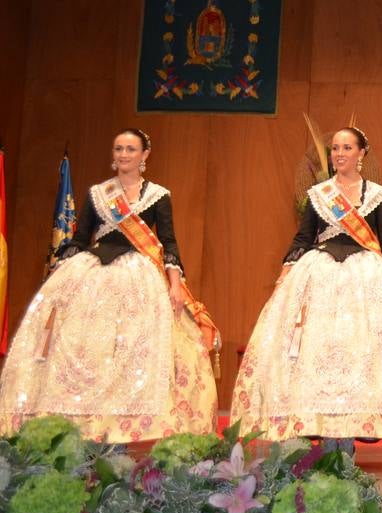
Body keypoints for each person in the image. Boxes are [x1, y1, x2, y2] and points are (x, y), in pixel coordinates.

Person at [0, 129, 218, 441]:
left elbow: (169, 243)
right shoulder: (98, 194)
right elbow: (79, 238)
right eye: (119, 149)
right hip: (95, 273)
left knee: (134, 345)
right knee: (85, 344)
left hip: (139, 274)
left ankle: (132, 424)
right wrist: (62, 273)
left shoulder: (158, 195)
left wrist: (174, 285)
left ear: (145, 156)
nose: (124, 154)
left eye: (131, 149)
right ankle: (76, 416)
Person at [231, 127, 382, 446]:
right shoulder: (319, 194)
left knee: (358, 349)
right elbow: (302, 239)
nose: (340, 153)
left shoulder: (377, 195)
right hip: (320, 274)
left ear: (361, 153)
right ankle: (317, 422)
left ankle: (355, 427)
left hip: (365, 278)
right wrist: (284, 277)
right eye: (335, 148)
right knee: (319, 348)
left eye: (347, 147)